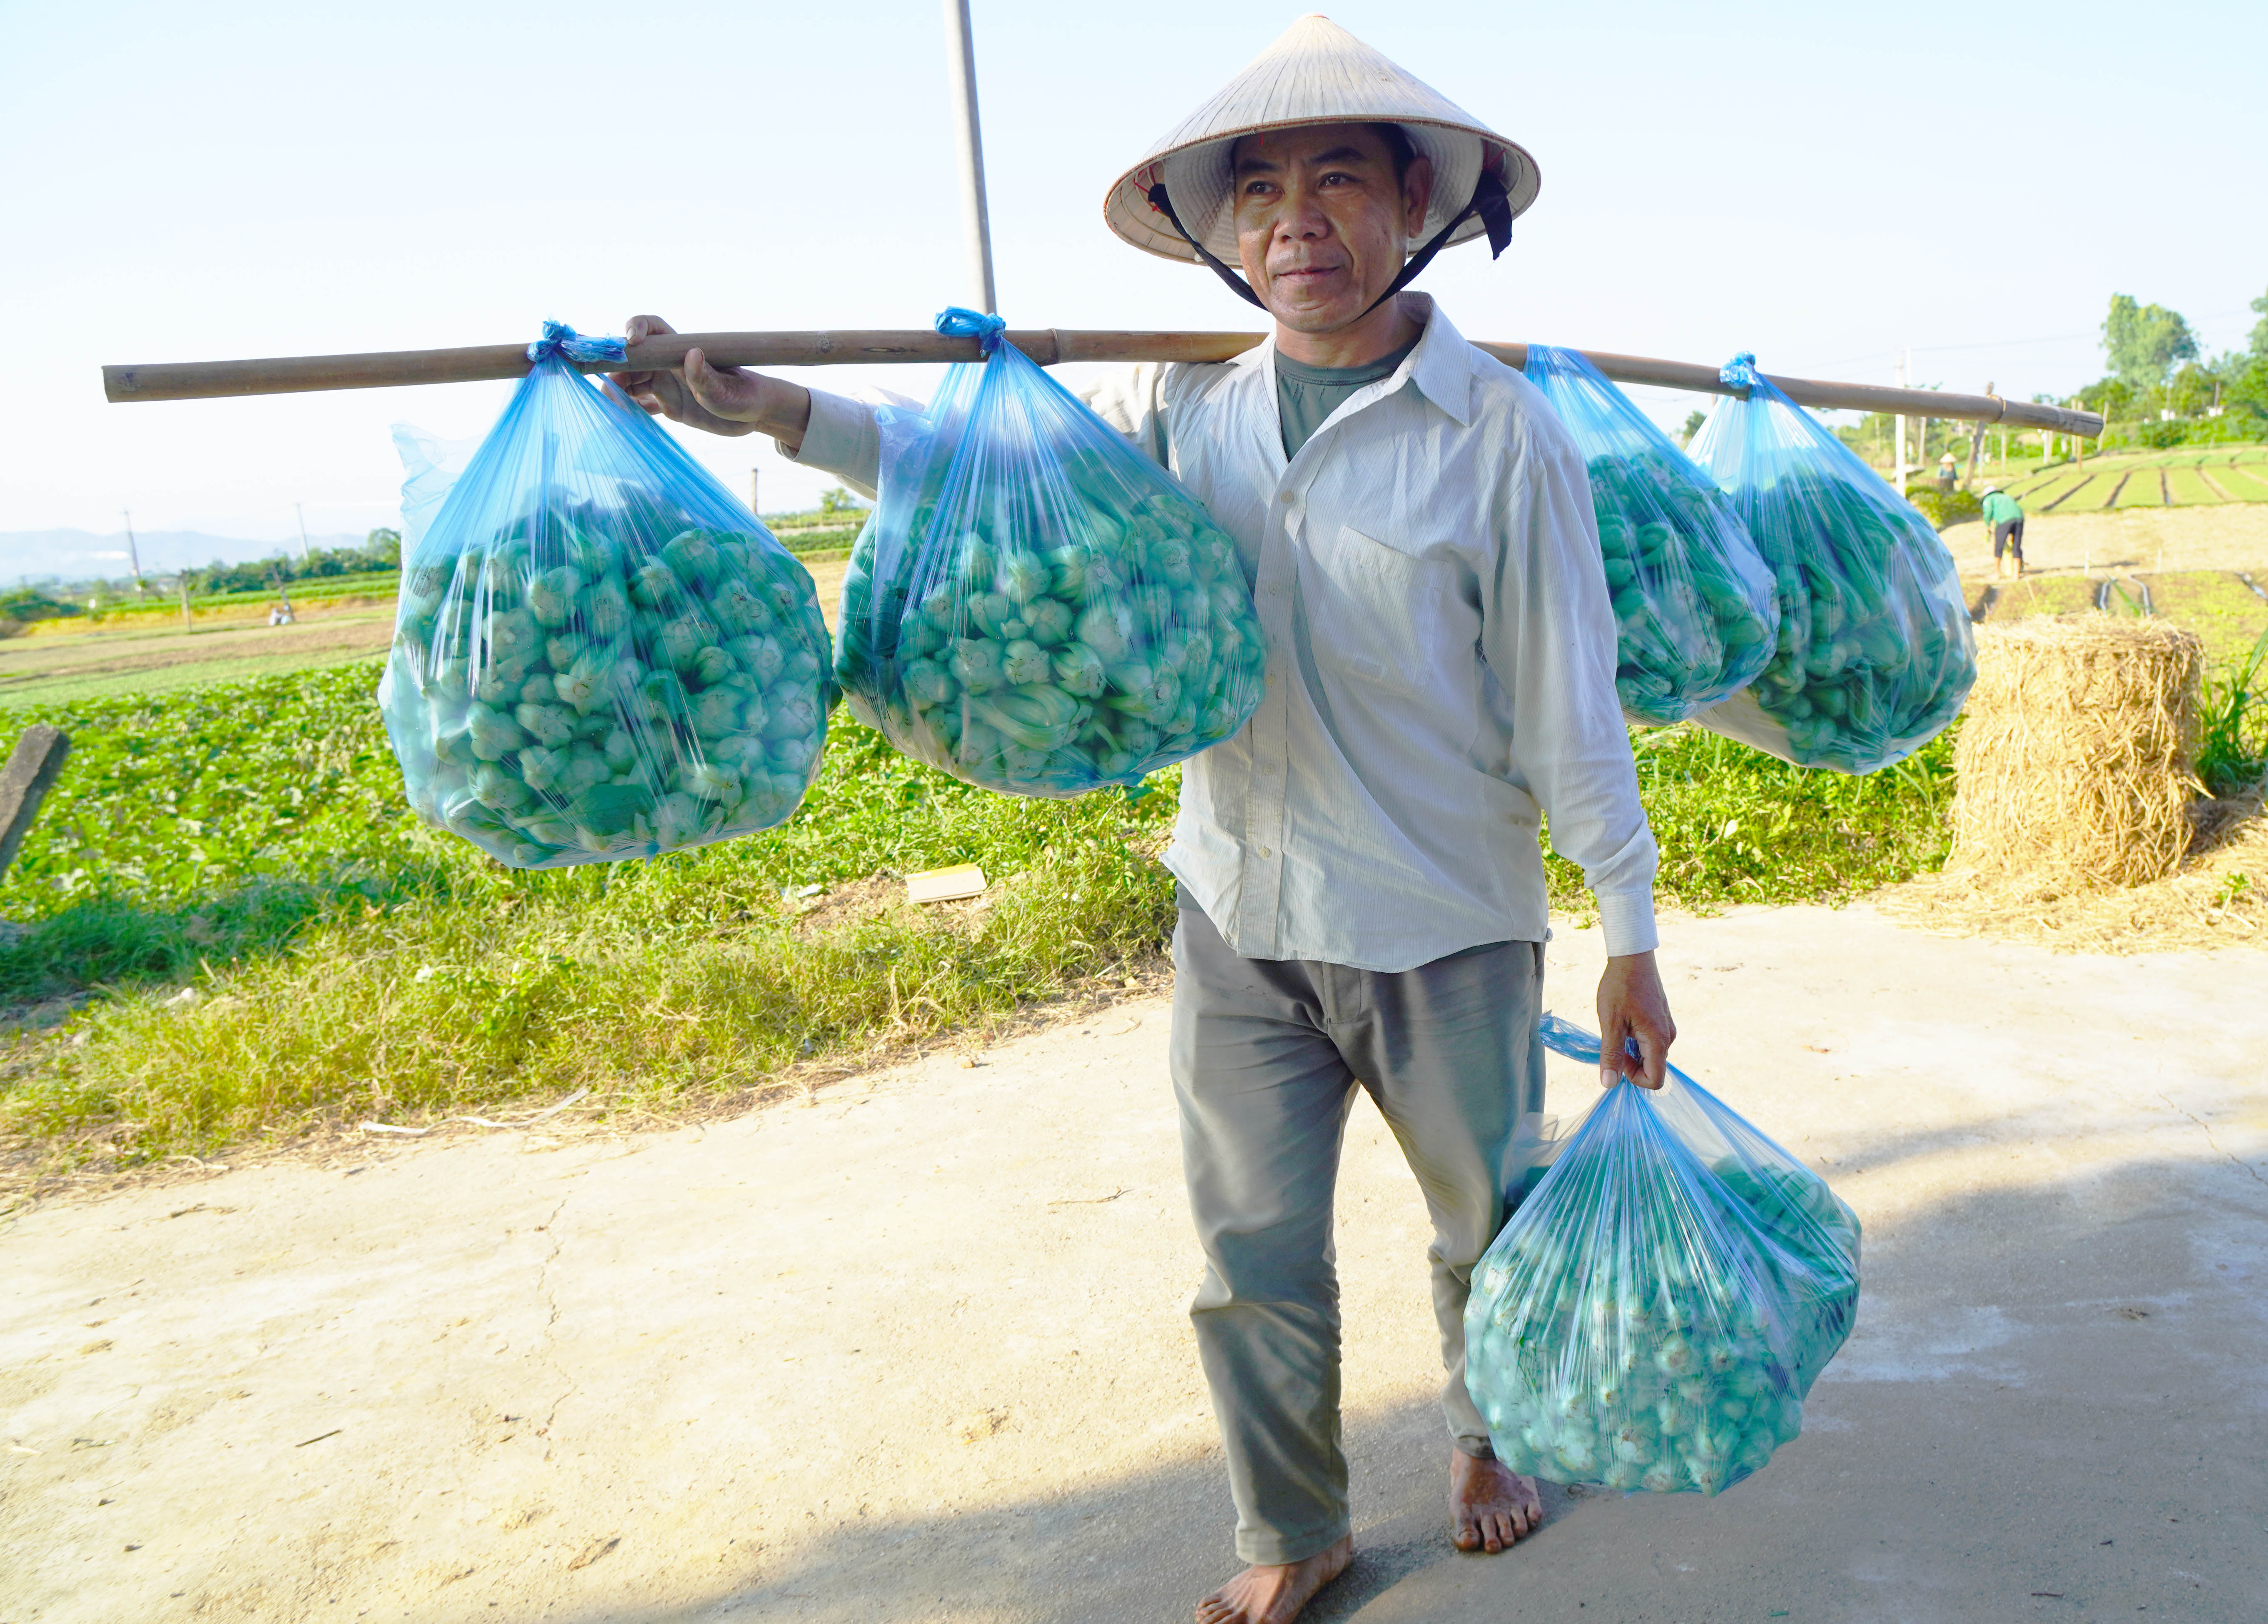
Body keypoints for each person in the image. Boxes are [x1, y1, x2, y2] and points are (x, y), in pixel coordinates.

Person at [610, 18, 1675, 1622]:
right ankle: (1294, 1526)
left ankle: (1486, 1443)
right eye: (1258, 190)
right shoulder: (1183, 408)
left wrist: (1627, 934)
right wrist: (774, 412)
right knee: (1249, 1255)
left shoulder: (1498, 434)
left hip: (1445, 916)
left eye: (1336, 180)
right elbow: (972, 472)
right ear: (1222, 230)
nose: (1294, 221)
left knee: (1485, 1227)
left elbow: (1566, 703)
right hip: (1240, 904)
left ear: (1415, 204)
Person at [1982, 483, 2027, 579]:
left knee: (1999, 546)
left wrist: (1987, 526)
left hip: (2004, 521)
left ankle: (1997, 574)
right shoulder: (2007, 497)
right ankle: (2016, 574)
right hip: (2019, 519)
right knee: (2016, 546)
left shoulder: (1989, 499)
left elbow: (1988, 512)